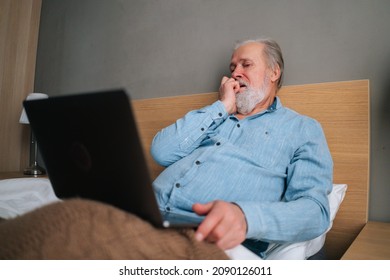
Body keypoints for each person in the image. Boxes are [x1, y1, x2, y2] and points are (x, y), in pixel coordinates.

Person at [151, 37, 333, 257]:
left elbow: (315, 212)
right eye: (233, 67)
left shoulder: (302, 128)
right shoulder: (213, 117)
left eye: (246, 65)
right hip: (145, 215)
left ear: (274, 72)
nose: (235, 73)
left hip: (204, 236)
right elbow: (161, 152)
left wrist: (245, 217)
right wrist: (223, 106)